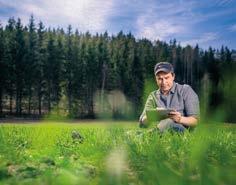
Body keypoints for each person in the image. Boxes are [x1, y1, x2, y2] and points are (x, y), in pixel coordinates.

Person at [139, 62, 200, 133]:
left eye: (166, 78)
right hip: (160, 131)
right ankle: (147, 135)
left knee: (169, 122)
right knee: (133, 133)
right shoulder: (153, 96)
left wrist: (180, 119)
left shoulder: (185, 90)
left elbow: (195, 121)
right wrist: (151, 116)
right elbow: (142, 124)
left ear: (173, 76)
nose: (164, 82)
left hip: (183, 132)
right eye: (160, 79)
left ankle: (145, 136)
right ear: (156, 79)